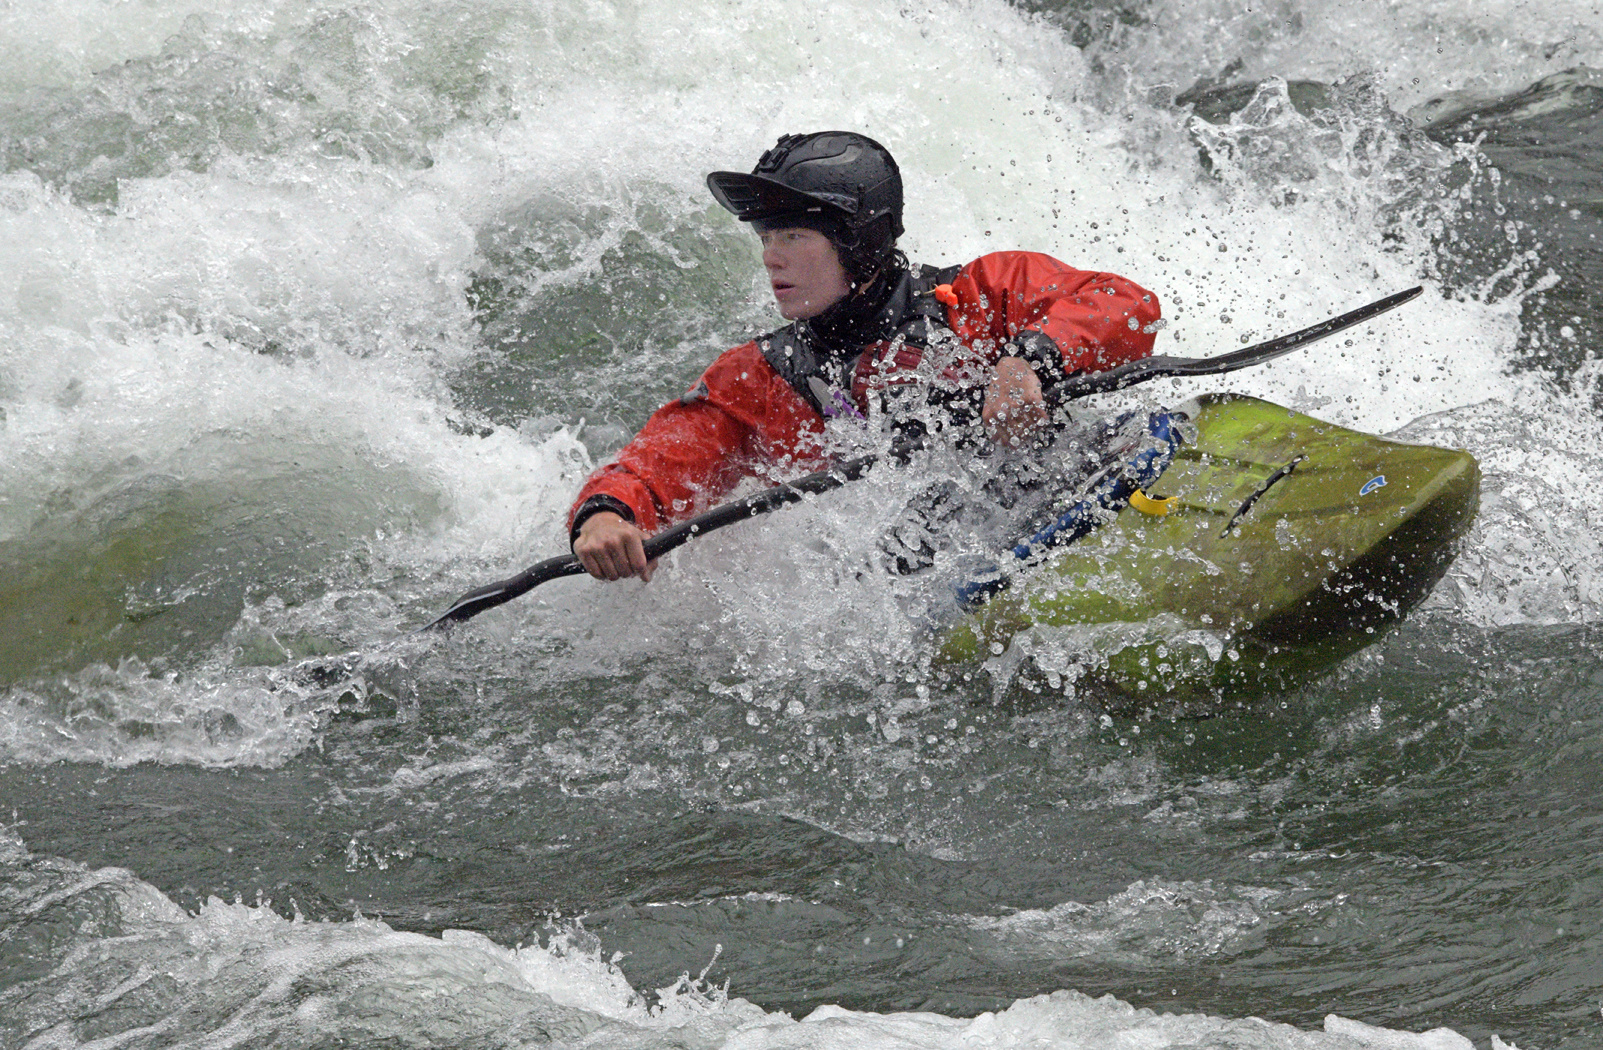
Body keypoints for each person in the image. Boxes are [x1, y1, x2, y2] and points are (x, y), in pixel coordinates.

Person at [568, 131, 1161, 583]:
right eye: (766, 239)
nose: (772, 259)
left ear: (860, 240)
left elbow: (1124, 305)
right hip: (929, 578)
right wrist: (606, 515)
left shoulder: (980, 297)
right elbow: (661, 461)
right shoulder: (760, 378)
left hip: (1060, 488)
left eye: (794, 237)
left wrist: (1030, 360)